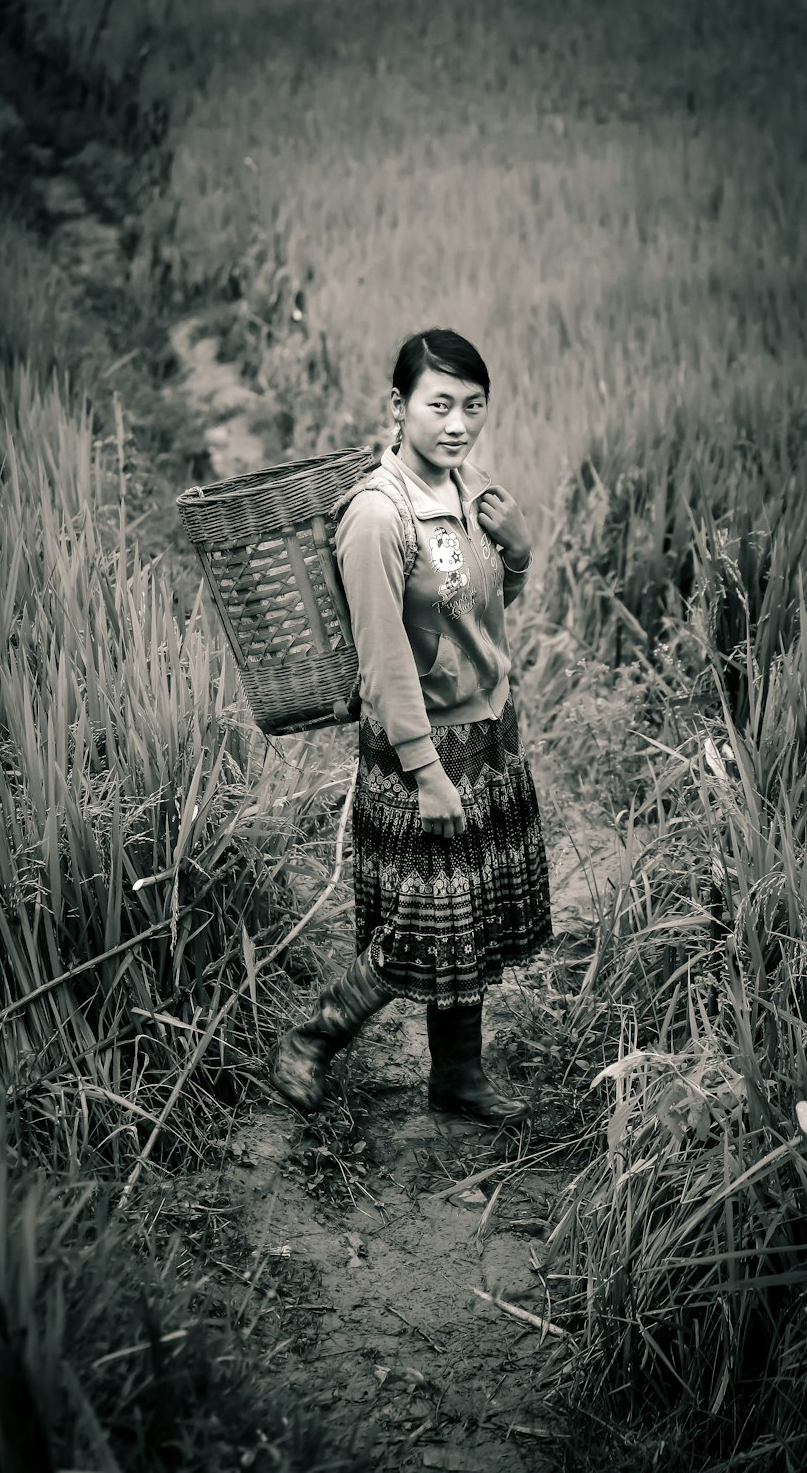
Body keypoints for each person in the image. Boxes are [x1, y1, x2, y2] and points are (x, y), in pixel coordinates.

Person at [269, 328, 552, 1124]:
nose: (459, 423)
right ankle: (314, 1038)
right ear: (398, 406)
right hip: (419, 749)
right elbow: (384, 659)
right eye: (440, 404)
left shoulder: (470, 491)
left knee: (471, 915)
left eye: (474, 405)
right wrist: (426, 771)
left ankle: (456, 1079)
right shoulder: (374, 516)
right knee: (423, 923)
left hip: (488, 738)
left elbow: (472, 620)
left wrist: (520, 555)